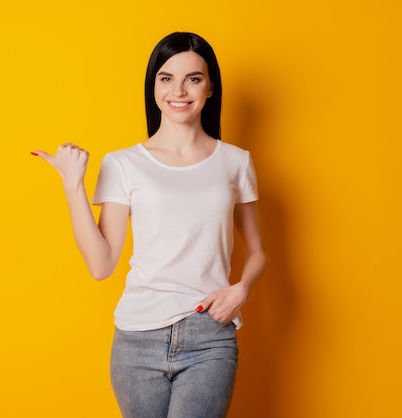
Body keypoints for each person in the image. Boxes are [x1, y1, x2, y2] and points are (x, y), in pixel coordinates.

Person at [32, 32, 266, 418]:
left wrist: (242, 289)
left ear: (210, 88)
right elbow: (101, 265)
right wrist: (73, 186)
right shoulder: (123, 164)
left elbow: (258, 251)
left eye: (193, 78)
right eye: (166, 77)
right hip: (137, 340)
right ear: (153, 86)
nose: (179, 89)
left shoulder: (235, 161)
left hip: (209, 336)